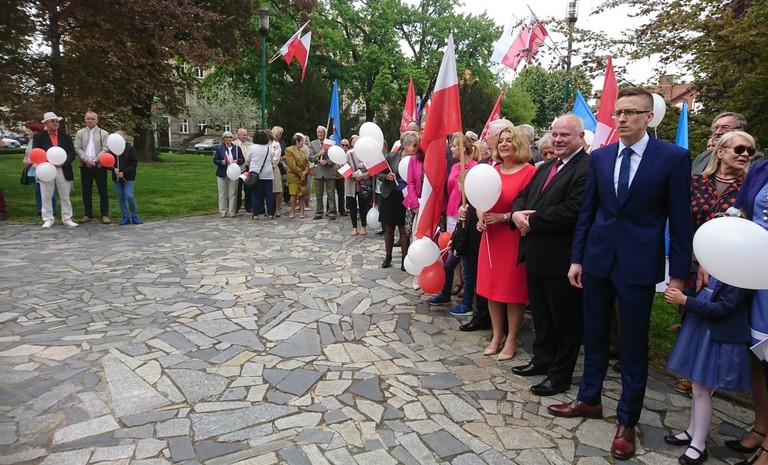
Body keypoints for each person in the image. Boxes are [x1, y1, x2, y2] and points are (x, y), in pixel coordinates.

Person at [548, 87, 693, 461]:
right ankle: (589, 399)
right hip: (597, 260)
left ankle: (627, 421)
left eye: (631, 112)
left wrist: (678, 275)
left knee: (632, 344)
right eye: (618, 112)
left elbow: (681, 220)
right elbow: (588, 212)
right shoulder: (601, 156)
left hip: (638, 263)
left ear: (649, 117)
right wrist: (577, 259)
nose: (622, 118)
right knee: (594, 334)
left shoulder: (672, 158)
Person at [509, 114, 590, 397]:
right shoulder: (546, 167)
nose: (557, 140)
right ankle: (542, 359)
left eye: (564, 135)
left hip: (562, 258)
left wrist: (532, 221)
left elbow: (574, 209)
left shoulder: (586, 168)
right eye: (555, 134)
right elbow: (523, 195)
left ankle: (560, 376)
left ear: (580, 137)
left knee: (565, 320)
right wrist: (516, 214)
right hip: (535, 254)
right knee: (542, 314)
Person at [663, 276, 753, 465]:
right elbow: (699, 288)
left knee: (701, 387)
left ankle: (699, 443)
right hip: (700, 325)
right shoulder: (714, 265)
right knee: (697, 384)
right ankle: (693, 431)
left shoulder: (742, 274)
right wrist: (680, 293)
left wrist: (685, 300)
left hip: (717, 333)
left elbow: (724, 308)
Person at [475, 126, 535, 361]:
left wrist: (504, 217)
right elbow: (481, 201)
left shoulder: (529, 172)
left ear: (519, 143)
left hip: (513, 237)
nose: (504, 144)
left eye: (509, 140)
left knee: (512, 290)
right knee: (492, 289)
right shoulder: (492, 171)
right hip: (491, 238)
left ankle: (512, 338)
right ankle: (497, 334)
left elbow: (530, 208)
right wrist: (480, 219)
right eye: (501, 141)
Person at [731, 155, 768, 465]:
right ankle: (761, 426)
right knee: (758, 353)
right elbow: (740, 213)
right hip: (756, 275)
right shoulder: (761, 168)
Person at [428, 133, 480, 316]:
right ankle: (447, 293)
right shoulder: (455, 166)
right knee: (451, 261)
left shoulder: (475, 168)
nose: (451, 148)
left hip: (468, 224)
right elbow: (450, 189)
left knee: (465, 267)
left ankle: (467, 300)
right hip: (456, 216)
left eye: (454, 146)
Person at [32, 112, 78, 228]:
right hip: (46, 169)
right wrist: (47, 162)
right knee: (46, 195)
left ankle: (67, 218)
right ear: (46, 123)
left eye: (57, 121)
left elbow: (72, 153)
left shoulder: (65, 137)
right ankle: (48, 219)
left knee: (65, 195)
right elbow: (36, 152)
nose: (56, 123)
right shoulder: (39, 137)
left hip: (63, 168)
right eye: (52, 121)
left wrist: (64, 162)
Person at [378, 131, 415, 269]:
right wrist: (386, 177)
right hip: (390, 195)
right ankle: (388, 256)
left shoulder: (416, 159)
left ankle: (405, 259)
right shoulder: (391, 156)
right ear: (405, 145)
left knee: (404, 229)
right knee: (388, 228)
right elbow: (379, 174)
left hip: (406, 197)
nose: (416, 148)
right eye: (414, 145)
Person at [691, 112, 762, 174]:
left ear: (740, 131)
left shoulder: (752, 158)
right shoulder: (702, 157)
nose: (718, 132)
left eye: (725, 128)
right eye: (716, 128)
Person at [74, 111, 111, 224]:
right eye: (88, 118)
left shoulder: (103, 133)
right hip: (85, 166)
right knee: (86, 191)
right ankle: (88, 214)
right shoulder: (80, 133)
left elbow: (106, 148)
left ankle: (104, 214)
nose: (90, 120)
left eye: (92, 119)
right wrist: (86, 160)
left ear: (97, 120)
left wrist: (95, 160)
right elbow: (77, 148)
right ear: (85, 120)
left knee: (103, 191)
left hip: (99, 166)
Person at [22, 122, 56, 215]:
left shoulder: (40, 141)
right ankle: (40, 208)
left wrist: (30, 162)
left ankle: (52, 209)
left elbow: (40, 155)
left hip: (40, 169)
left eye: (29, 131)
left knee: (47, 190)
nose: (27, 133)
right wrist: (25, 160)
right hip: (32, 170)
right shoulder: (30, 142)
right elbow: (28, 154)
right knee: (37, 190)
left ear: (35, 132)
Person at [110, 129, 141, 225]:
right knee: (121, 196)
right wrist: (114, 169)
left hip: (128, 177)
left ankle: (134, 216)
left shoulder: (130, 148)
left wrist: (124, 172)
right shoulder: (112, 150)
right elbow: (109, 163)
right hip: (116, 177)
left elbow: (134, 163)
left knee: (129, 195)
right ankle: (125, 217)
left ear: (124, 137)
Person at [212, 131, 245, 218]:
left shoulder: (237, 148)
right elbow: (215, 160)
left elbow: (242, 159)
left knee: (233, 193)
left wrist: (237, 161)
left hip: (234, 172)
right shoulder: (219, 148)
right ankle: (222, 210)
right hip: (222, 172)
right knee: (222, 193)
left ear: (232, 138)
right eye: (226, 137)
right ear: (223, 138)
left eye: (230, 137)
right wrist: (221, 162)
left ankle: (232, 210)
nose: (228, 139)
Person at [344, 139, 372, 235]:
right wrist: (353, 176)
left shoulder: (367, 155)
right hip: (351, 184)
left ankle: (363, 227)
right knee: (352, 206)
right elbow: (344, 167)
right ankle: (354, 227)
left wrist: (362, 176)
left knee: (363, 206)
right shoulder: (349, 154)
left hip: (363, 185)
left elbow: (371, 170)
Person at [309, 126, 337, 220]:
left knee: (331, 193)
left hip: (329, 171)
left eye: (322, 132)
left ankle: (331, 212)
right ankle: (319, 212)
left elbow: (335, 157)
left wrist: (327, 162)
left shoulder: (331, 143)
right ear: (317, 133)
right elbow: (310, 158)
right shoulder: (313, 143)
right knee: (318, 194)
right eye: (319, 132)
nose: (321, 134)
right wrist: (318, 155)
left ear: (325, 133)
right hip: (318, 172)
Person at [246, 130, 275, 219]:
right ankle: (270, 213)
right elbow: (271, 160)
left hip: (255, 173)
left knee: (255, 193)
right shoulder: (269, 149)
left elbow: (247, 161)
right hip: (268, 173)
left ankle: (255, 214)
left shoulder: (251, 148)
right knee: (269, 193)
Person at [285, 133, 309, 219]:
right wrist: (301, 173)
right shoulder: (289, 150)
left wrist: (305, 172)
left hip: (303, 177)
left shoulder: (302, 151)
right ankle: (292, 211)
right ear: (297, 141)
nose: (303, 143)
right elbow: (292, 165)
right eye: (302, 141)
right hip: (293, 176)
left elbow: (307, 163)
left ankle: (302, 211)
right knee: (293, 194)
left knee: (302, 194)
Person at [235, 128, 253, 213]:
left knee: (248, 187)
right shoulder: (234, 144)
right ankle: (237, 206)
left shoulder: (250, 145)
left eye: (246, 135)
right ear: (238, 135)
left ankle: (248, 205)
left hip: (247, 168)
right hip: (237, 168)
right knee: (238, 187)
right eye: (243, 135)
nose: (245, 137)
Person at [268, 128, 284, 217]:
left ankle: (278, 208)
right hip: (265, 169)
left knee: (277, 189)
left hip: (274, 168)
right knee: (268, 190)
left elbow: (277, 158)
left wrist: (270, 164)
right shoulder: (264, 144)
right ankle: (269, 208)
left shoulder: (277, 145)